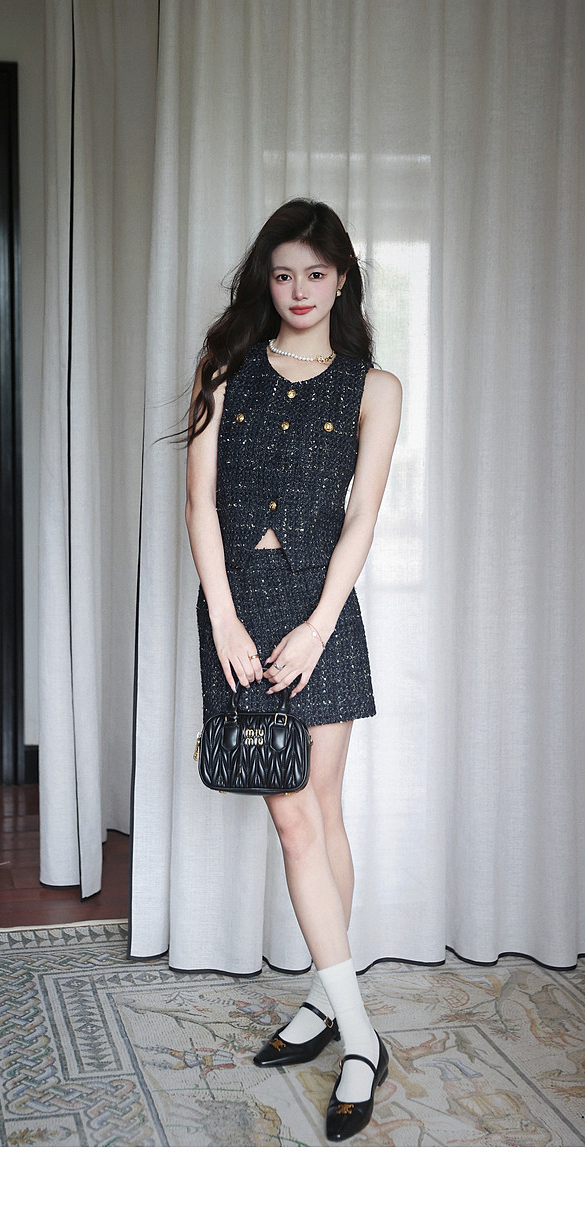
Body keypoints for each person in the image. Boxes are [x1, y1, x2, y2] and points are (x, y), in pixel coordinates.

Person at [183, 198, 402, 1142]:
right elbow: (199, 504)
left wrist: (316, 627)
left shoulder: (375, 386)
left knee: (323, 810)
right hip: (239, 612)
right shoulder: (224, 364)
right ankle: (361, 1033)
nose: (299, 290)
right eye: (283, 274)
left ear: (341, 279)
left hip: (322, 614)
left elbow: (362, 518)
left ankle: (325, 1005)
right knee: (292, 813)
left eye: (315, 274)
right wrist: (225, 617)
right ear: (264, 281)